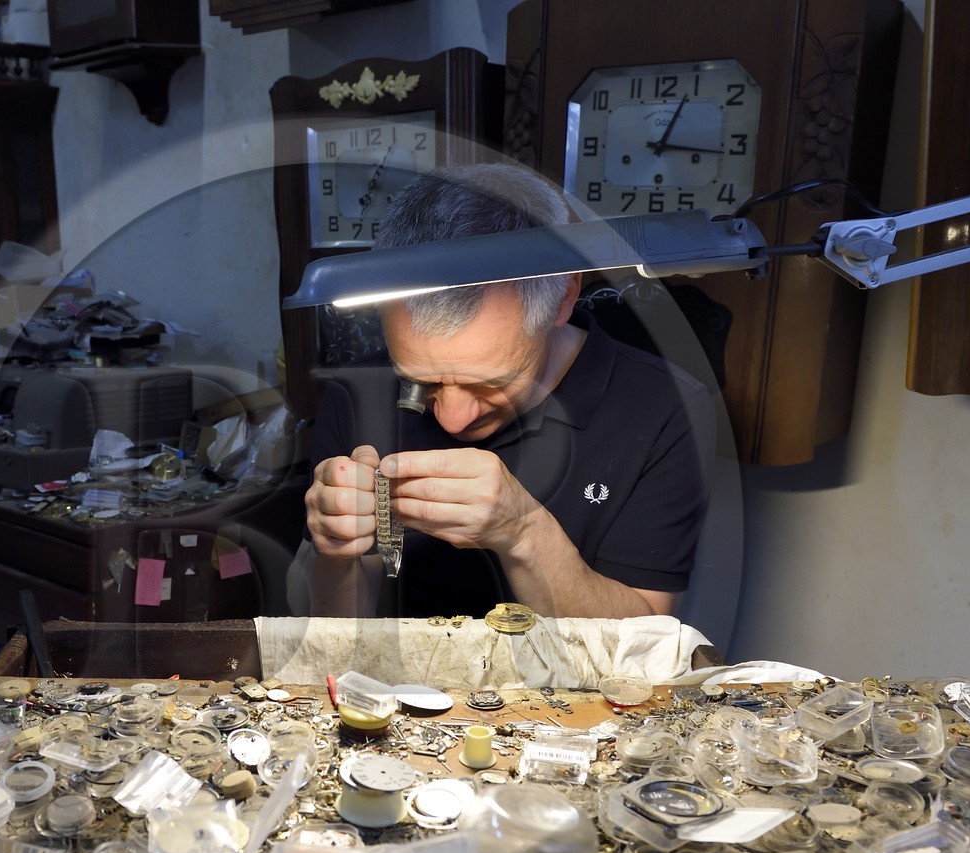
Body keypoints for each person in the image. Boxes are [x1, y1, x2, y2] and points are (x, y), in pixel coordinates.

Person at [288, 162, 714, 620]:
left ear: (563, 298)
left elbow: (642, 648)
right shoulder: (356, 397)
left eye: (489, 383)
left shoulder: (666, 409)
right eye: (421, 381)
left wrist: (524, 531)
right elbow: (333, 632)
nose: (452, 419)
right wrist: (334, 552)